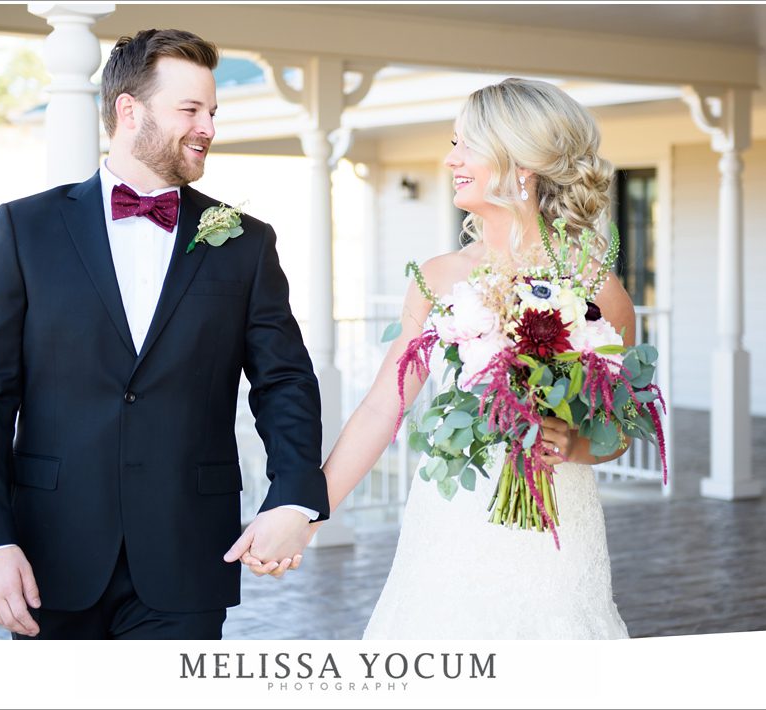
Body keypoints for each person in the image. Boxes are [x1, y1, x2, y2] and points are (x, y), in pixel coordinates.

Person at [0, 28, 328, 641]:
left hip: (188, 554)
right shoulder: (26, 228)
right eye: (190, 109)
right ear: (129, 110)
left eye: (212, 111)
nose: (208, 126)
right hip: (51, 554)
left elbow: (284, 381)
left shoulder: (245, 242)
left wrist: (294, 499)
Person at [247, 78, 635, 639]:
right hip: (451, 521)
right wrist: (306, 512)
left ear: (521, 163)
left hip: (556, 525)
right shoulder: (439, 277)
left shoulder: (597, 288)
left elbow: (618, 428)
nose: (451, 159)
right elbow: (384, 407)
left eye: (466, 145)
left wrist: (574, 444)